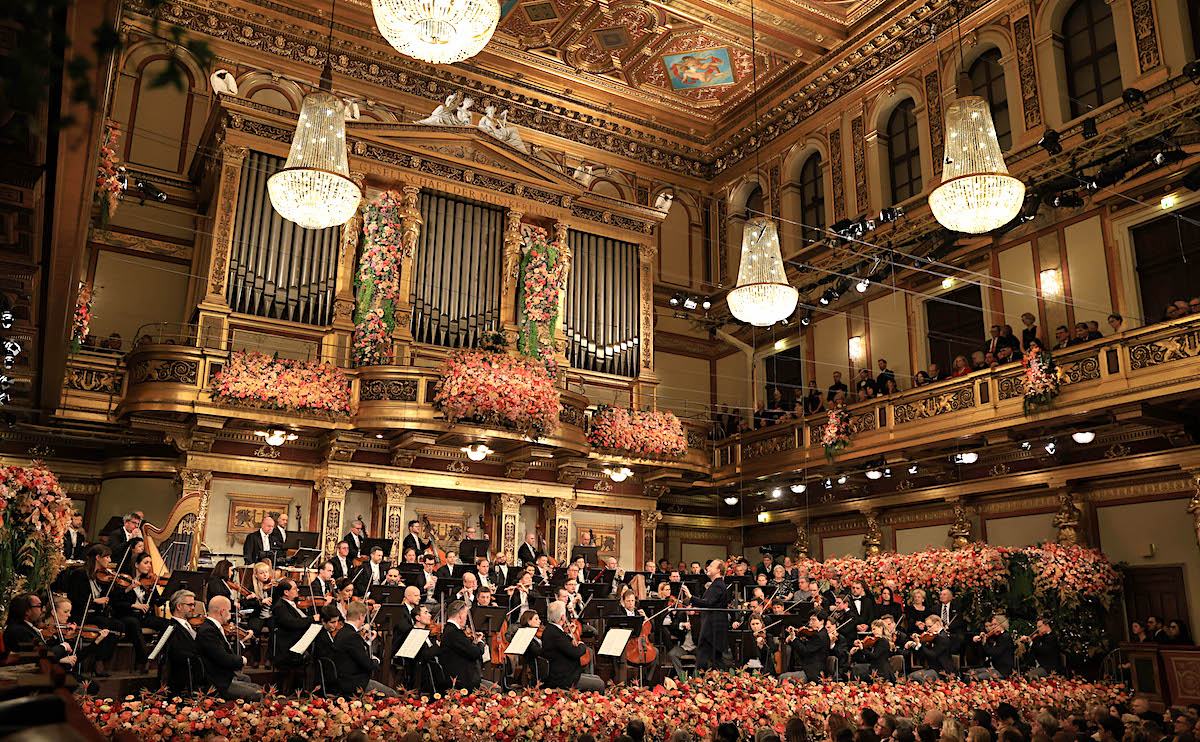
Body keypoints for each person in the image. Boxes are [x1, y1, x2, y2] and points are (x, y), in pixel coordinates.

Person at [196, 596, 264, 700]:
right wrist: (241, 660)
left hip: (221, 675)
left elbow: (224, 651)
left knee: (252, 684)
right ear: (222, 611)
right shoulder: (208, 631)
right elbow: (222, 658)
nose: (230, 614)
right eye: (229, 611)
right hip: (216, 682)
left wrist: (241, 641)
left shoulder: (213, 627)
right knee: (257, 692)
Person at [334, 600, 399, 696]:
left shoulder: (341, 632)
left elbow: (357, 654)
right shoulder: (352, 636)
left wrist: (368, 642)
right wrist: (376, 661)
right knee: (392, 694)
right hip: (354, 683)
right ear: (361, 616)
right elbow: (367, 665)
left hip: (344, 679)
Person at [543, 600, 603, 690]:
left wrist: (570, 635)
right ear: (563, 617)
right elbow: (576, 652)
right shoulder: (556, 634)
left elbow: (564, 645)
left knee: (597, 678)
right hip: (564, 679)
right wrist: (582, 645)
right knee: (600, 684)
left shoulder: (551, 629)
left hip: (564, 674)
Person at [684, 559, 730, 671]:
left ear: (718, 570)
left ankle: (699, 682)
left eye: (711, 566)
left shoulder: (718, 585)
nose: (708, 567)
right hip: (712, 629)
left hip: (712, 630)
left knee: (704, 661)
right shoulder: (716, 585)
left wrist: (691, 597)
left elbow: (708, 603)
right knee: (714, 661)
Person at [163, 590, 205, 694]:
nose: (193, 608)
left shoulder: (188, 625)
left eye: (193, 604)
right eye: (190, 605)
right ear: (178, 606)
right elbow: (179, 654)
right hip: (185, 682)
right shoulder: (171, 628)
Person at [438, 600, 487, 690]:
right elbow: (475, 653)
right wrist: (480, 642)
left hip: (460, 677)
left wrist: (473, 644)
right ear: (460, 615)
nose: (466, 618)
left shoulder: (449, 630)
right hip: (462, 681)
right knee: (495, 690)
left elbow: (465, 649)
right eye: (465, 614)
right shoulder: (454, 633)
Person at [272, 578, 313, 670]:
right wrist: (312, 619)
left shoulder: (292, 603)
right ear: (286, 592)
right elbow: (292, 623)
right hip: (290, 646)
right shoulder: (280, 607)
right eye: (295, 589)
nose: (298, 590)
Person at [905, 614, 954, 679]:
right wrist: (916, 644)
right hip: (933, 669)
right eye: (927, 627)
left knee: (913, 677)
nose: (928, 630)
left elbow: (932, 655)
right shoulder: (933, 637)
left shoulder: (942, 637)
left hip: (942, 671)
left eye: (930, 626)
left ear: (937, 624)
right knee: (911, 676)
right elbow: (922, 653)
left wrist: (919, 644)